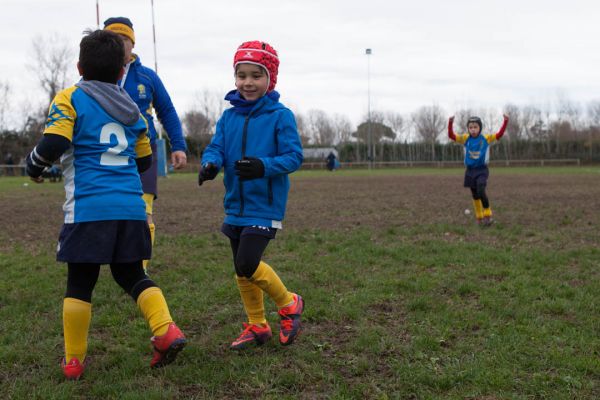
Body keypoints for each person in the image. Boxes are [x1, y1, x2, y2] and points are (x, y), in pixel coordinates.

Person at [25, 30, 185, 380]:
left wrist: (33, 165)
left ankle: (73, 361)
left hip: (88, 208)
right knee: (132, 274)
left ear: (79, 66)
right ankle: (166, 330)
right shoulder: (133, 110)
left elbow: (54, 140)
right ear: (121, 71)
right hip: (130, 209)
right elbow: (145, 161)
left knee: (80, 282)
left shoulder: (70, 98)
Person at [198, 40, 305, 349]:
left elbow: (293, 157)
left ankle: (289, 303)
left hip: (264, 206)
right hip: (235, 205)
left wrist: (263, 167)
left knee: (247, 262)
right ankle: (257, 325)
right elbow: (217, 146)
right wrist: (210, 164)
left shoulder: (280, 116)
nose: (247, 82)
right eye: (241, 75)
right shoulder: (228, 117)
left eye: (255, 75)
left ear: (269, 78)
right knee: (241, 270)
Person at [104, 17, 187, 271]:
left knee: (144, 212)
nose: (119, 45)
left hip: (143, 154)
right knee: (111, 213)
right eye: (112, 40)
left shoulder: (147, 77)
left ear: (132, 43)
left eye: (123, 40)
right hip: (107, 157)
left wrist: (179, 146)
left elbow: (167, 111)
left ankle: (140, 270)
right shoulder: (95, 75)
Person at [448, 114, 509, 226]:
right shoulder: (466, 139)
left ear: (480, 128)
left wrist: (505, 121)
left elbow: (499, 134)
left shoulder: (485, 138)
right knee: (475, 195)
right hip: (470, 171)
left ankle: (488, 215)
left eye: (475, 127)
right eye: (471, 127)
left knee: (481, 190)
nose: (473, 129)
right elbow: (451, 136)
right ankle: (479, 217)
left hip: (482, 170)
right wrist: (450, 122)